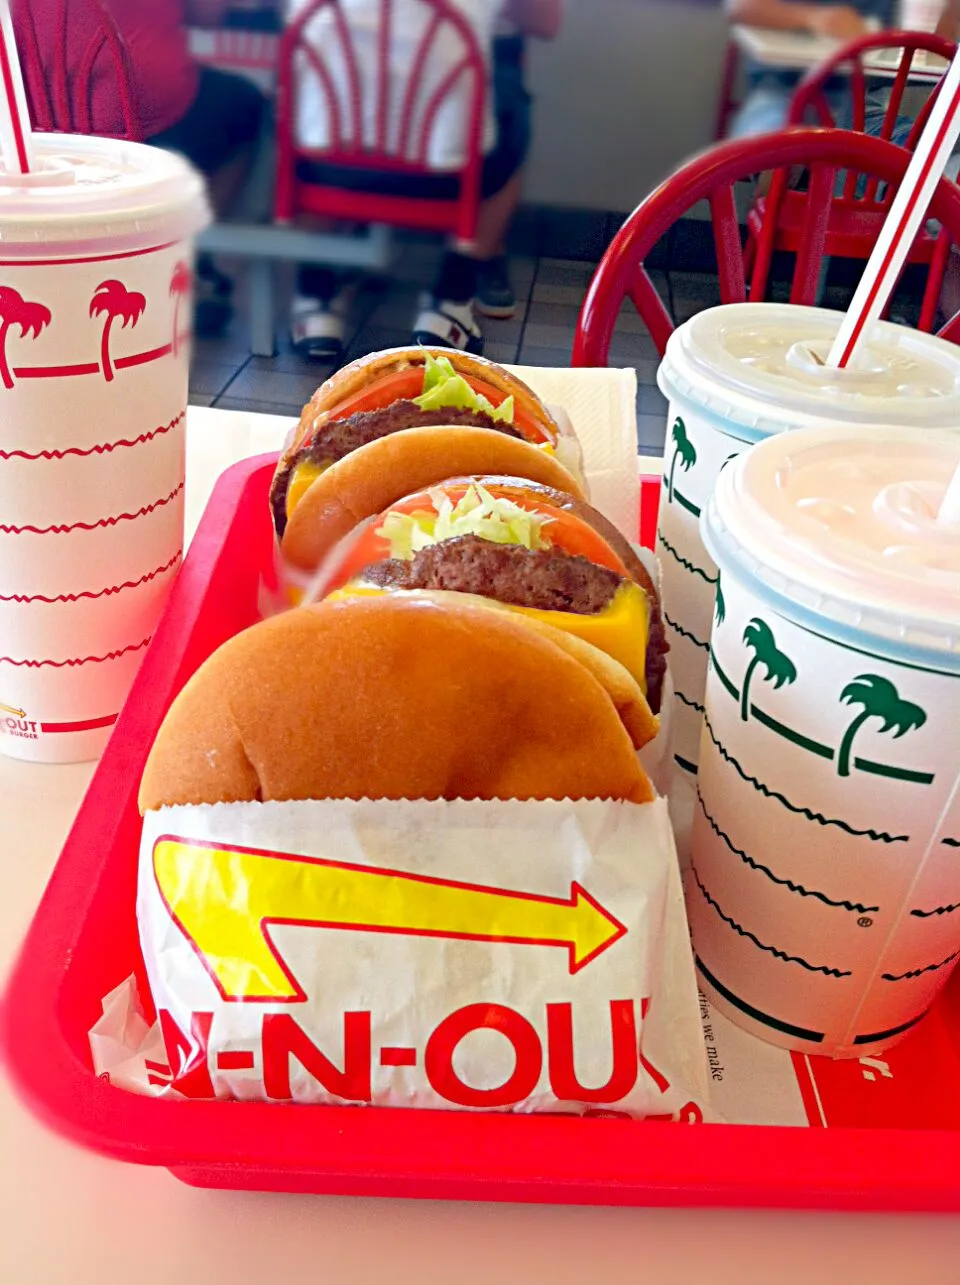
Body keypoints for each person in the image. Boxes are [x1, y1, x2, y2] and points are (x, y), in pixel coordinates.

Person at [287, 0, 561, 358]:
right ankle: (451, 302)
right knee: (511, 111)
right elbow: (545, 23)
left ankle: (315, 297)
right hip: (445, 176)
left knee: (298, 104)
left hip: (334, 164)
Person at [21, 0, 267, 332]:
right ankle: (188, 251)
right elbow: (209, 17)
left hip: (45, 119)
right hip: (150, 113)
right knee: (250, 106)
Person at [725, 0, 960, 138]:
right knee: (772, 143)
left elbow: (928, 52)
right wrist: (813, 18)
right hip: (784, 90)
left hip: (866, 103)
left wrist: (949, 11)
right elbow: (740, 7)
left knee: (916, 154)